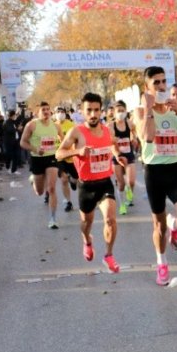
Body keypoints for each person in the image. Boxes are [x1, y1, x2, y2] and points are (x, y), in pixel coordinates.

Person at [134, 66, 177, 285]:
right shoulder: (140, 111)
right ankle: (162, 262)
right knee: (159, 226)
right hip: (153, 172)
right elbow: (148, 137)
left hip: (174, 171)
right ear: (147, 88)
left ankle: (175, 226)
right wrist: (150, 108)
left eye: (164, 81)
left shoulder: (175, 108)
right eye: (156, 83)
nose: (162, 86)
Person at [56, 93, 123, 273]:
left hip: (105, 183)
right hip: (86, 186)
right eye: (89, 110)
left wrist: (117, 155)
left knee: (110, 219)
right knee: (86, 222)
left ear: (101, 110)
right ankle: (87, 240)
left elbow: (112, 144)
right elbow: (58, 154)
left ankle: (108, 255)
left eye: (96, 110)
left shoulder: (108, 129)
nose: (93, 114)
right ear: (82, 111)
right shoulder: (76, 132)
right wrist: (77, 151)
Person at [20, 102, 65, 229]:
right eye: (43, 109)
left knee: (51, 188)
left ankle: (53, 219)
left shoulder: (56, 126)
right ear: (37, 112)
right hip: (37, 158)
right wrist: (34, 149)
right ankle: (33, 180)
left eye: (47, 109)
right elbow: (22, 142)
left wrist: (64, 150)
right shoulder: (31, 125)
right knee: (39, 192)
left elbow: (63, 141)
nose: (46, 111)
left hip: (52, 158)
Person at [111, 101, 139, 215]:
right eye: (118, 111)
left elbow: (134, 131)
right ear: (114, 113)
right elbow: (111, 143)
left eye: (123, 111)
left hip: (128, 154)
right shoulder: (110, 126)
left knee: (131, 181)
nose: (121, 113)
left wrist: (134, 138)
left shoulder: (129, 123)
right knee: (121, 183)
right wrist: (117, 154)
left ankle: (129, 191)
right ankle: (122, 205)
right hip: (117, 156)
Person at [55, 106, 77, 213]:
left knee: (75, 179)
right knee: (63, 179)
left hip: (70, 156)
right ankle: (69, 202)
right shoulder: (52, 126)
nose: (60, 113)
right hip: (58, 157)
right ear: (54, 114)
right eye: (58, 112)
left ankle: (73, 181)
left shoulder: (71, 125)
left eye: (62, 112)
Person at [2, 110, 21, 175]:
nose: (15, 116)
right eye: (14, 115)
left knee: (16, 155)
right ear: (12, 116)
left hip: (15, 141)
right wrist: (17, 129)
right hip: (9, 142)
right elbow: (9, 130)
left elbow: (20, 120)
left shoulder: (14, 122)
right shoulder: (7, 122)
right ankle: (8, 167)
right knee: (9, 156)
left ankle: (14, 169)